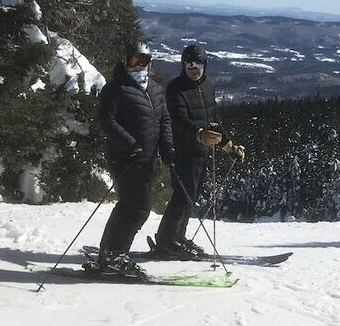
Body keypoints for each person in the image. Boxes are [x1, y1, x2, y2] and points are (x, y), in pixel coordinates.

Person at [93, 41, 174, 275]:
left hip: (148, 160)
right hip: (125, 159)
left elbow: (164, 120)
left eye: (144, 61)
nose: (139, 66)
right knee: (137, 208)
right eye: (133, 61)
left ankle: (109, 253)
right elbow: (107, 121)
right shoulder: (116, 88)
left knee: (130, 206)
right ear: (125, 62)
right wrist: (129, 145)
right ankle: (114, 254)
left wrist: (167, 147)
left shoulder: (156, 90)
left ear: (150, 64)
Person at [154, 43, 235, 259]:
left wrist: (228, 145)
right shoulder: (175, 88)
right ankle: (166, 241)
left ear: (205, 65)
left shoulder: (207, 86)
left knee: (191, 197)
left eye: (198, 63)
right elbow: (178, 120)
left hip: (201, 152)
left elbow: (214, 120)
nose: (194, 68)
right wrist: (198, 134)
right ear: (183, 65)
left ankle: (176, 237)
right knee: (182, 197)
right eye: (189, 63)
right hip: (182, 151)